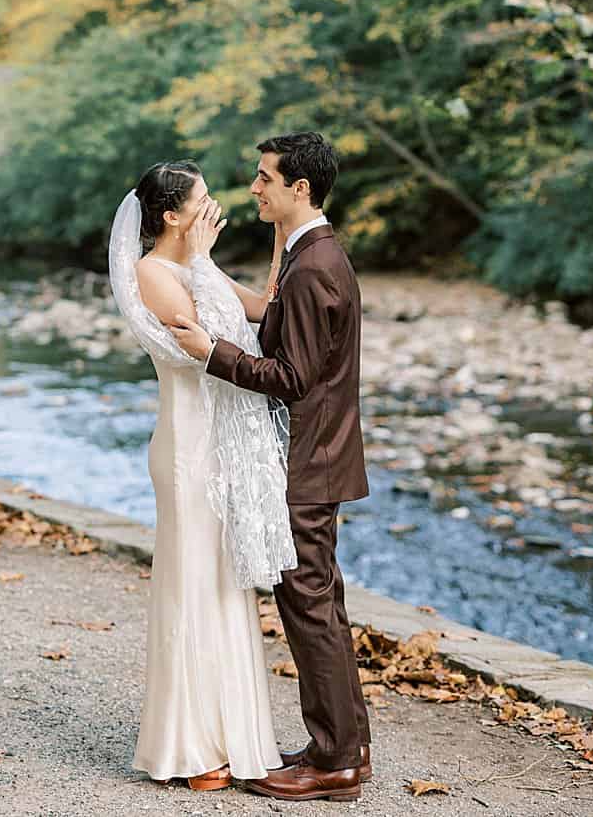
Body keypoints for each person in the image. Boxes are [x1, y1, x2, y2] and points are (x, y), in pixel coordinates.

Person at [162, 131, 374, 802]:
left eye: (264, 178)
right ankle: (343, 746)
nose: (254, 187)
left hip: (311, 459)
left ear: (299, 188)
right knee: (321, 604)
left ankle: (336, 760)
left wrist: (211, 351)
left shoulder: (314, 266)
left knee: (309, 606)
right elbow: (283, 335)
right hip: (320, 454)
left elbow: (291, 377)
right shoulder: (311, 251)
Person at [110, 160, 296, 791]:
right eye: (204, 200)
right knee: (191, 581)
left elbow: (263, 317)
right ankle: (191, 747)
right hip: (187, 447)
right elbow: (207, 348)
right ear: (171, 215)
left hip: (222, 447)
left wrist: (279, 238)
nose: (215, 208)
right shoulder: (153, 273)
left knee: (224, 583)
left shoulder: (197, 267)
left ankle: (233, 733)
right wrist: (203, 260)